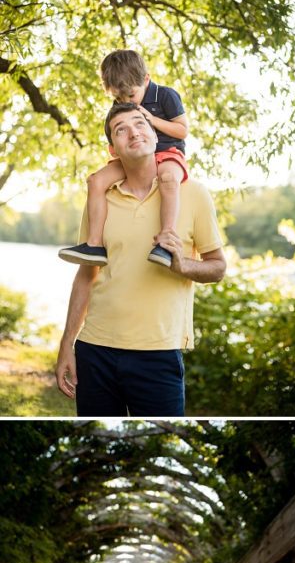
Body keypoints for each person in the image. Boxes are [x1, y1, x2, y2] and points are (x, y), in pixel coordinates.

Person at [54, 102, 226, 417]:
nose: (134, 132)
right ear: (113, 149)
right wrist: (67, 343)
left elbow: (218, 267)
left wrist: (182, 265)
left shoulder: (194, 194)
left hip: (158, 355)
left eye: (140, 123)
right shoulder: (100, 201)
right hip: (95, 350)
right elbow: (85, 275)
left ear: (155, 134)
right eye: (121, 129)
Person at [59, 49, 189, 268]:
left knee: (168, 178)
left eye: (130, 95)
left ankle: (166, 238)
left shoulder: (165, 95)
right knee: (96, 181)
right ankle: (94, 244)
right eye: (118, 98)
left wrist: (151, 119)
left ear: (146, 79)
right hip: (135, 157)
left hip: (168, 153)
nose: (125, 101)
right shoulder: (119, 105)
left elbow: (182, 131)